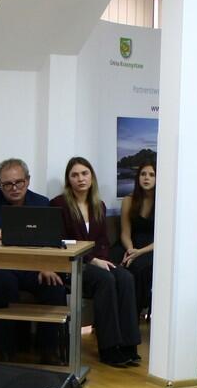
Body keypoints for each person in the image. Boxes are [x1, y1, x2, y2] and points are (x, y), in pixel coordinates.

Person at [0, 158, 66, 363]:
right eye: (7, 184)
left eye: (19, 182)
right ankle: (6, 352)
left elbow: (50, 239)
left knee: (54, 286)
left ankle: (48, 351)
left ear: (28, 180)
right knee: (4, 282)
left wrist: (47, 266)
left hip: (31, 267)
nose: (14, 188)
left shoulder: (41, 203)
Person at [51, 157, 141, 367]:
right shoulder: (58, 204)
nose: (80, 179)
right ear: (68, 180)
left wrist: (102, 260)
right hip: (72, 264)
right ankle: (108, 349)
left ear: (92, 177)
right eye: (75, 175)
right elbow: (60, 242)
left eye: (85, 173)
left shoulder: (98, 205)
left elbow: (102, 242)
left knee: (126, 278)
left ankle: (129, 346)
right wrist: (92, 260)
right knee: (105, 280)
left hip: (98, 262)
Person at [119, 161, 156, 314]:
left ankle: (136, 314)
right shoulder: (129, 200)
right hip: (132, 243)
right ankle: (124, 317)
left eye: (152, 175)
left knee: (140, 268)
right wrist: (130, 250)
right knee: (122, 266)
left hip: (153, 247)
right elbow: (125, 232)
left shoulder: (165, 201)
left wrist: (139, 252)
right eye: (143, 174)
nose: (146, 178)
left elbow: (164, 239)